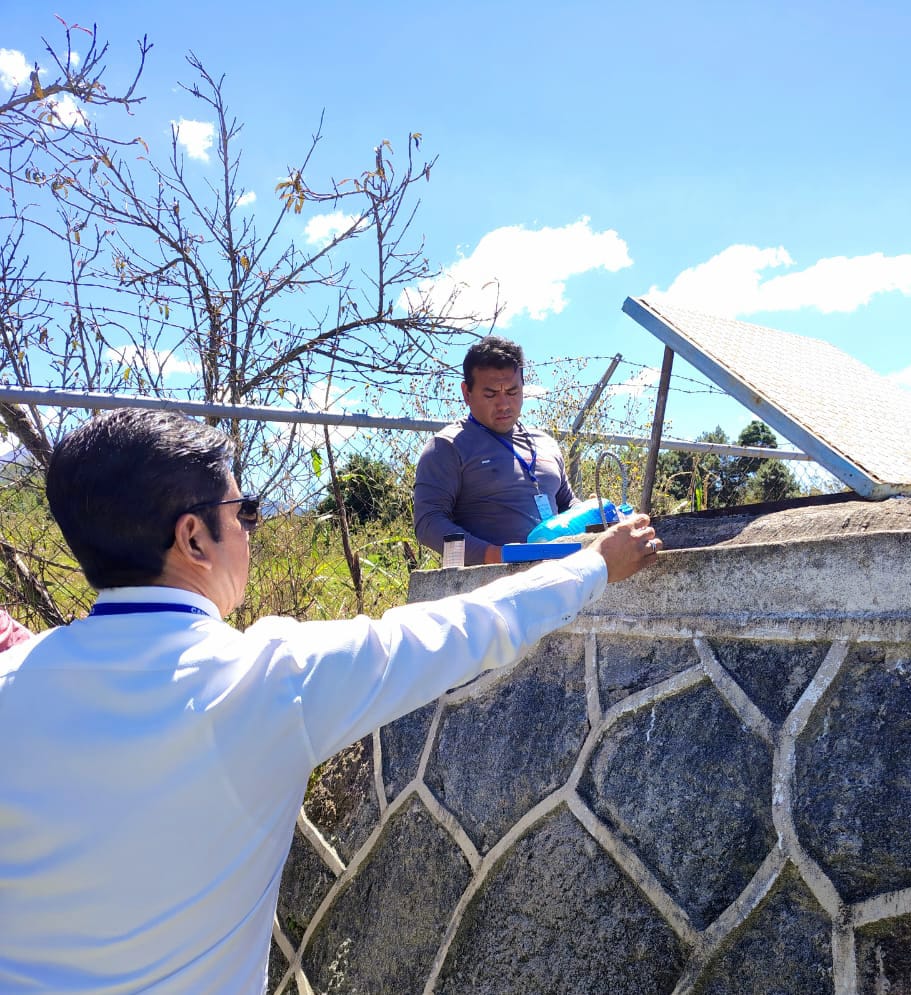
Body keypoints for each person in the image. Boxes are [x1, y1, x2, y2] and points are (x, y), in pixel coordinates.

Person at [0, 407, 661, 995]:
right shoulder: (268, 681)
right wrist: (596, 564)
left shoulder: (12, 678)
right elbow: (467, 627)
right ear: (194, 538)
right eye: (244, 512)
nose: (252, 530)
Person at [413, 335, 581, 566]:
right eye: (490, 394)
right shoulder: (447, 446)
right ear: (467, 393)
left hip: (558, 575)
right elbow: (428, 523)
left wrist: (594, 512)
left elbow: (567, 503)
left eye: (512, 392)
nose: (504, 404)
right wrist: (494, 555)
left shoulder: (545, 443)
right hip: (493, 582)